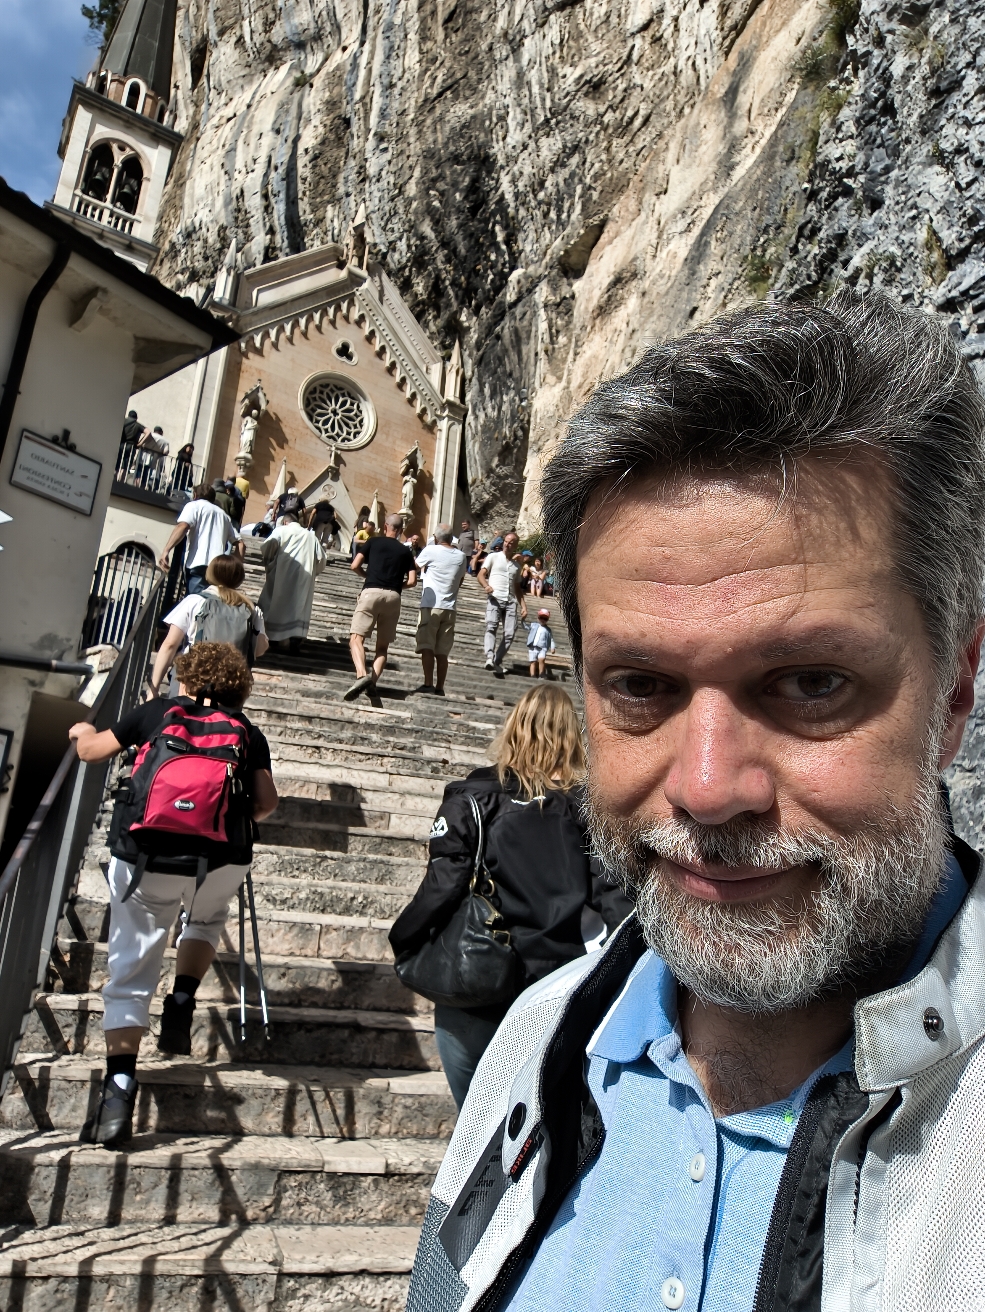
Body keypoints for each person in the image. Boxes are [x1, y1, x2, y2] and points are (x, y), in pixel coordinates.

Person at [404, 293, 985, 1312]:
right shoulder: (537, 1038)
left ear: (953, 696)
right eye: (640, 685)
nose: (707, 788)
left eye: (809, 682)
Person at [68, 642, 278, 1147]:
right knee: (205, 920)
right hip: (220, 859)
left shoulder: (157, 713)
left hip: (146, 857)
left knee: (131, 970)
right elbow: (267, 803)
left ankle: (119, 1089)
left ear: (187, 677)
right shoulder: (246, 731)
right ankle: (182, 997)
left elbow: (91, 752)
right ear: (238, 687)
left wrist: (80, 731)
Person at [390, 684, 632, 1109]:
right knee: (541, 1120)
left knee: (475, 1119)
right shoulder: (589, 809)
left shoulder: (472, 799)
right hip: (555, 986)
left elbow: (442, 885)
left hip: (479, 980)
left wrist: (404, 938)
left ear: (514, 726)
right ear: (573, 734)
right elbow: (613, 898)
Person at [149, 555, 268, 696]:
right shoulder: (252, 609)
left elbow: (170, 645)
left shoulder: (195, 601)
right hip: (230, 685)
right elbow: (259, 649)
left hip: (192, 678)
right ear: (239, 578)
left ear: (210, 573)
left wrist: (153, 689)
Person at [345, 512, 418, 700]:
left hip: (371, 592)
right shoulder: (406, 551)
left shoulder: (373, 542)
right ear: (401, 530)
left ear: (385, 526)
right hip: (394, 597)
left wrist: (367, 577)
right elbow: (412, 581)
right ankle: (373, 682)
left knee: (356, 638)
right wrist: (396, 586)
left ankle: (362, 676)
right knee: (382, 647)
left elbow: (354, 565)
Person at [257, 509, 327, 652]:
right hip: (304, 578)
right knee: (298, 606)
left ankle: (276, 638)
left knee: (277, 603)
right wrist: (314, 571)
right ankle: (294, 638)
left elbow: (268, 547)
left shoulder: (281, 530)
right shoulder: (311, 536)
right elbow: (322, 559)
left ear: (285, 522)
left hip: (281, 574)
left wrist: (270, 562)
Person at [159, 483, 243, 595]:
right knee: (212, 600)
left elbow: (183, 526)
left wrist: (166, 550)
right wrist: (236, 567)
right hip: (218, 567)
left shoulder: (194, 506)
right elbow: (241, 544)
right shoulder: (223, 515)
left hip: (198, 563)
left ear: (195, 495)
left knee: (196, 600)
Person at [414, 524, 468, 695]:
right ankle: (440, 687)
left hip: (431, 605)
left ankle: (428, 683)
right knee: (442, 652)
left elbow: (414, 567)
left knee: (427, 646)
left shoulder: (431, 550)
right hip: (450, 607)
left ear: (436, 537)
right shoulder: (461, 556)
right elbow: (460, 580)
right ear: (451, 538)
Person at [478, 530, 528, 674]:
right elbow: (481, 575)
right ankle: (489, 657)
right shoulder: (493, 556)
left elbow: (517, 588)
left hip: (511, 601)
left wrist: (524, 606)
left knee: (510, 633)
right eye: (506, 541)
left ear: (515, 546)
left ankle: (496, 660)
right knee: (491, 626)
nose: (507, 544)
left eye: (511, 543)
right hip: (495, 597)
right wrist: (486, 586)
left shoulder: (516, 566)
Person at [526, 607, 555, 678]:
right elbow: (525, 627)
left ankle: (541, 673)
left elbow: (551, 639)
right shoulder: (534, 625)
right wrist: (523, 619)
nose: (543, 620)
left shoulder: (548, 630)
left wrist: (552, 647)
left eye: (545, 619)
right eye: (541, 618)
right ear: (538, 617)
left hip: (542, 648)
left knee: (542, 659)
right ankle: (532, 675)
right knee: (533, 661)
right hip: (533, 647)